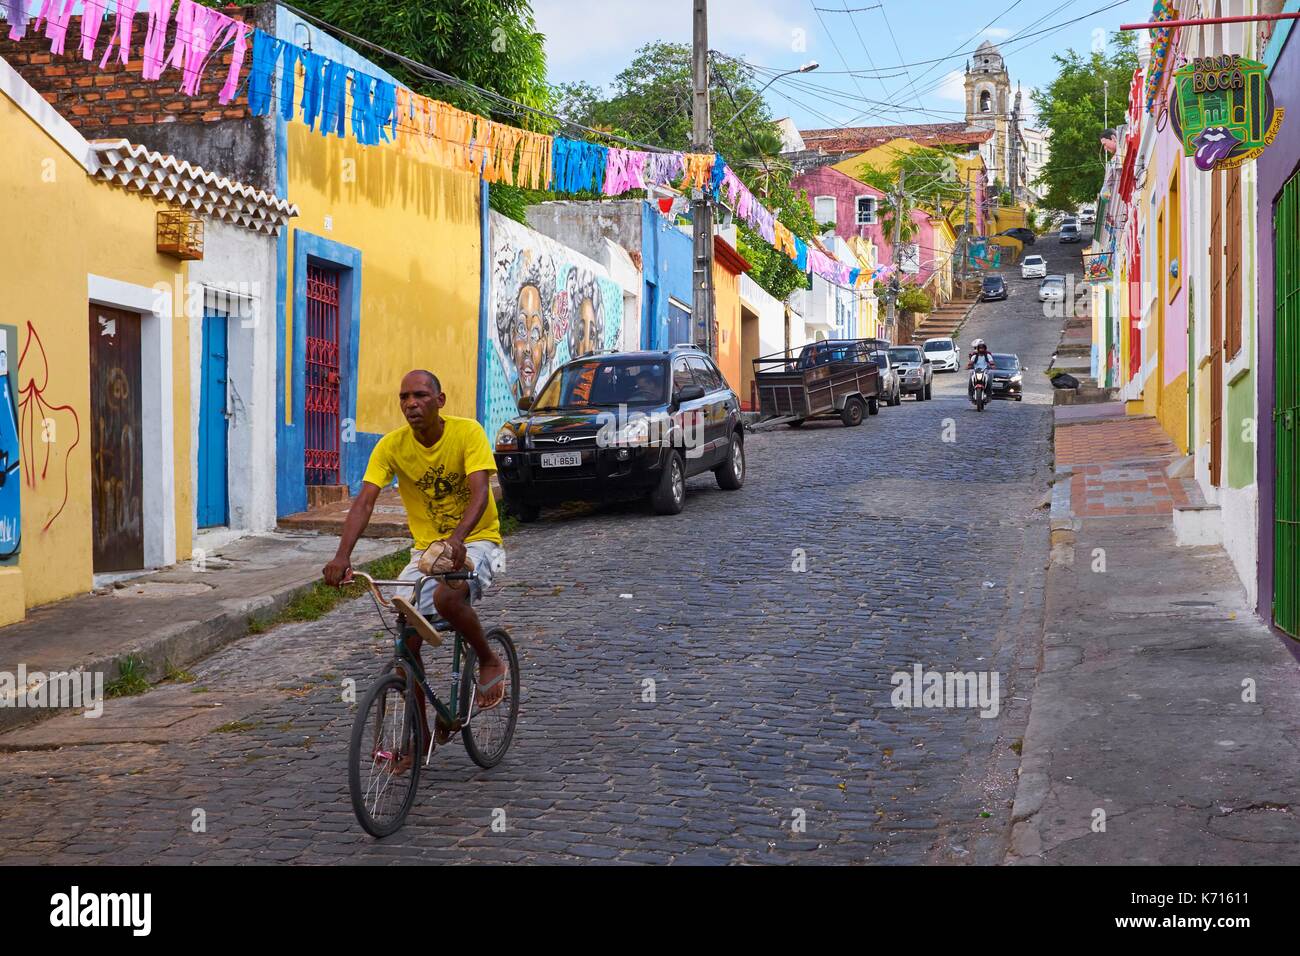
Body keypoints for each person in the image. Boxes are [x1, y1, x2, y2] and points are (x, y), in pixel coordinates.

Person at [323, 370, 508, 743]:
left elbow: (480, 494)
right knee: (405, 641)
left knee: (446, 596)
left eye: (421, 395)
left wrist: (457, 539)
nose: (411, 404)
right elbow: (365, 501)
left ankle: (487, 657)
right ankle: (419, 733)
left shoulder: (467, 432)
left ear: (440, 401)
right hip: (426, 552)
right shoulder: (392, 446)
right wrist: (342, 555)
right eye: (404, 397)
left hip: (477, 541)